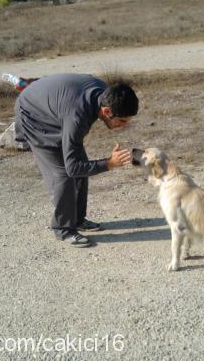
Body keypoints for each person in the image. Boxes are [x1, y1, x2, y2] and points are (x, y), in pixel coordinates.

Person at [14, 73, 139, 248]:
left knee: (81, 165)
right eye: (122, 120)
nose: (124, 125)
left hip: (55, 109)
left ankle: (78, 219)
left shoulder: (103, 95)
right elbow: (72, 168)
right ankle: (63, 228)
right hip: (33, 116)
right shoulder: (77, 115)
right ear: (107, 111)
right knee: (64, 174)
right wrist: (109, 163)